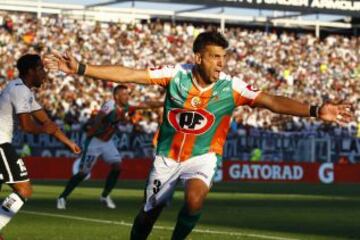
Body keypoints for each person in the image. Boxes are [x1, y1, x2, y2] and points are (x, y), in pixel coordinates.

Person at [45, 31, 352, 240]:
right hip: (167, 157)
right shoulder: (175, 75)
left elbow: (270, 101)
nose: (222, 63)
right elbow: (130, 74)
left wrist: (315, 110)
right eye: (216, 56)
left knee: (194, 200)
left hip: (203, 157)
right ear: (198, 57)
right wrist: (83, 69)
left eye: (224, 57)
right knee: (148, 215)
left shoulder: (232, 86)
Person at [0, 54, 81, 237]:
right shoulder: (19, 90)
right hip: (0, 144)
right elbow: (28, 126)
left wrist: (68, 142)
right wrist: (44, 129)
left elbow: (46, 121)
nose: (45, 74)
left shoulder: (23, 91)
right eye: (41, 69)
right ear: (31, 71)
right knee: (24, 190)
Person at [57, 85, 163, 210]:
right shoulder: (110, 105)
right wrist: (95, 130)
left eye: (127, 94)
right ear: (117, 96)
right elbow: (99, 118)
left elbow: (145, 105)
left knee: (117, 167)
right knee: (82, 173)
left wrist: (165, 103)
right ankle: (62, 197)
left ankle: (104, 195)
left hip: (107, 142)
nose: (127, 96)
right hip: (95, 141)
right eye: (124, 94)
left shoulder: (126, 106)